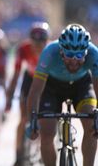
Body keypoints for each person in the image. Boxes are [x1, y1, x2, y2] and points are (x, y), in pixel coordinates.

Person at [26, 24, 98, 166]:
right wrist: (32, 121)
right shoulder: (49, 52)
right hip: (52, 87)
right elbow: (35, 91)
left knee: (91, 127)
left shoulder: (94, 54)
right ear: (61, 51)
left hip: (81, 85)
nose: (74, 60)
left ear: (86, 52)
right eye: (69, 55)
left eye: (79, 55)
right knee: (46, 135)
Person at [5, 22, 50, 166]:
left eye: (41, 42)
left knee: (46, 119)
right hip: (29, 79)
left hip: (48, 81)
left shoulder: (51, 50)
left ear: (46, 41)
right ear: (30, 40)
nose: (37, 46)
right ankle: (18, 154)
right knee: (24, 118)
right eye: (34, 42)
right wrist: (10, 96)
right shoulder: (23, 49)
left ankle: (46, 149)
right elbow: (16, 74)